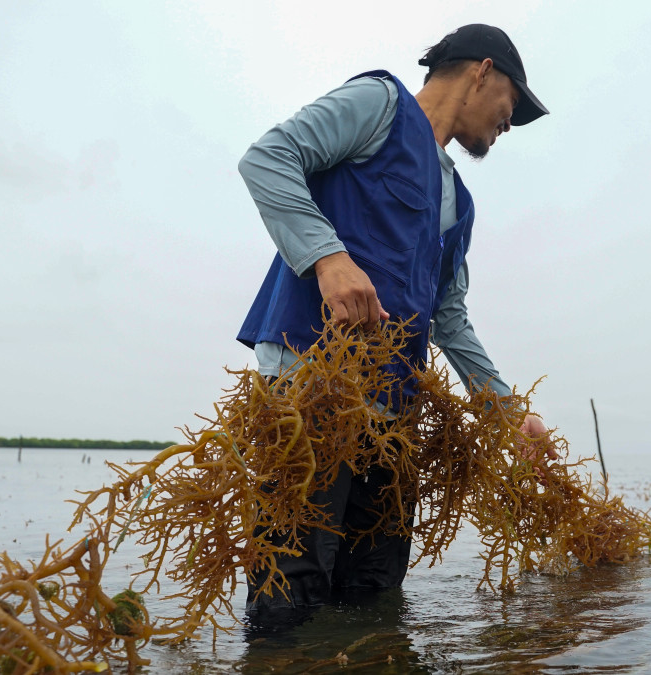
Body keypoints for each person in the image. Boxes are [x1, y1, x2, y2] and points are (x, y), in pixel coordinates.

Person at [235, 23, 553, 625]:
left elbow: (449, 318)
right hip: (312, 384)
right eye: (513, 102)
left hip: (393, 417)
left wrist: (507, 411)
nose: (510, 123)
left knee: (375, 591)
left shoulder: (459, 202)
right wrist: (328, 258)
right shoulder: (379, 104)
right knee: (291, 586)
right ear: (482, 71)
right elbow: (268, 158)